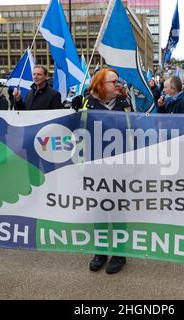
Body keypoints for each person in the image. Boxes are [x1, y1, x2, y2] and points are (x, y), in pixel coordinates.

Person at [72, 68, 131, 274]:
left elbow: (133, 133)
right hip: (95, 168)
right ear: (100, 85)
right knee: (98, 211)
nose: (118, 85)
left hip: (119, 169)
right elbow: (78, 135)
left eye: (118, 82)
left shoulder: (125, 104)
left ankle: (119, 253)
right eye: (113, 82)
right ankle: (100, 251)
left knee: (117, 212)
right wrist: (72, 110)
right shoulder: (86, 104)